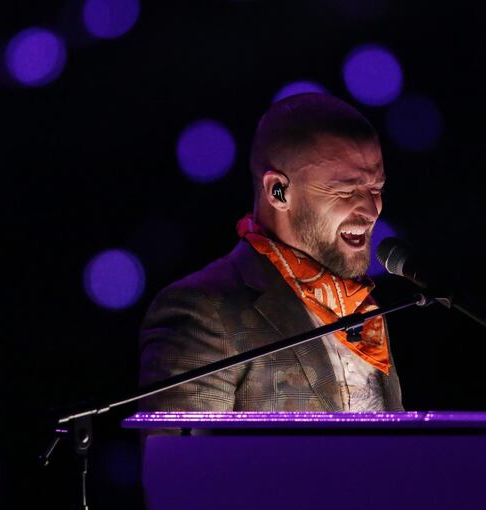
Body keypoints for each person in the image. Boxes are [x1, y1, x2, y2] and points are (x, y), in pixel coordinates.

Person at [138, 93, 403, 413]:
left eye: (376, 190)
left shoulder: (366, 311)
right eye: (346, 191)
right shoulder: (202, 311)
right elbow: (183, 462)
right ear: (278, 191)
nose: (372, 209)